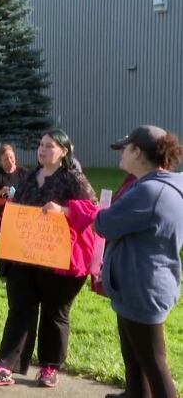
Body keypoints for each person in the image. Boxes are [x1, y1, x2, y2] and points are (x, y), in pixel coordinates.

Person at [0, 129, 97, 388]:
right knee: (20, 309)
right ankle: (5, 366)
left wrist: (64, 210)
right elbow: (18, 208)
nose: (42, 150)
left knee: (55, 314)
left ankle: (49, 367)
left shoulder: (73, 178)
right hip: (25, 256)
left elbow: (93, 210)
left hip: (59, 261)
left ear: (64, 152)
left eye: (49, 146)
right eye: (40, 145)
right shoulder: (31, 176)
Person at [91, 126, 183, 398]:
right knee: (134, 355)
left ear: (138, 152)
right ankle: (135, 393)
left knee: (154, 363)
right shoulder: (169, 183)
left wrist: (100, 212)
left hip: (143, 288)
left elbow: (104, 224)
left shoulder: (148, 193)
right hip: (140, 283)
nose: (121, 153)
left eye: (125, 148)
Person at [0, 144, 28, 243]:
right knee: (5, 243)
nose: (9, 161)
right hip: (2, 216)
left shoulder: (24, 173)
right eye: (5, 159)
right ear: (1, 161)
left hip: (21, 214)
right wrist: (1, 192)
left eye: (11, 157)